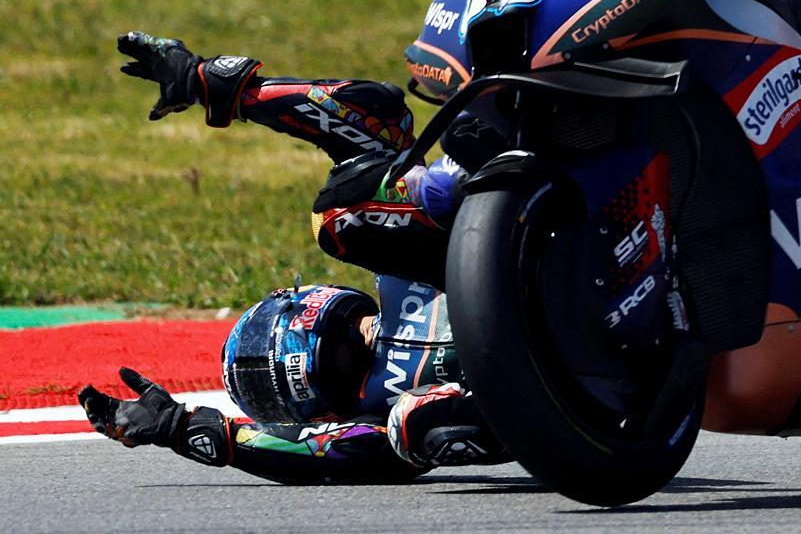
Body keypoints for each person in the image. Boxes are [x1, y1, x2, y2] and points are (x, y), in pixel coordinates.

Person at [77, 33, 505, 484]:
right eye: (262, 391)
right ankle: (540, 403)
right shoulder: (380, 417)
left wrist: (209, 84)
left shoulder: (393, 260)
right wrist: (180, 427)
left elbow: (377, 117)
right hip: (529, 386)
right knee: (415, 427)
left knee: (344, 215)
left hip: (524, 239)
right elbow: (331, 455)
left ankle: (521, 144)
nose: (267, 372)